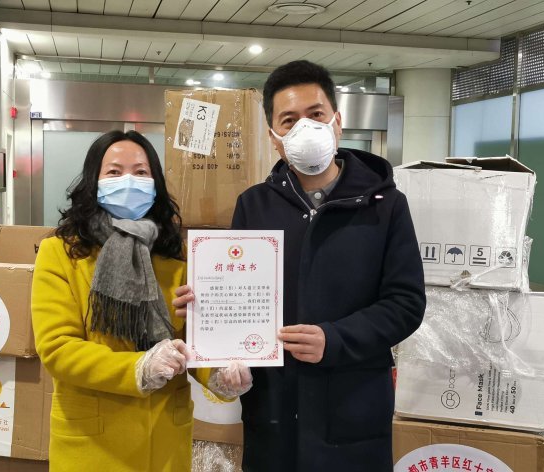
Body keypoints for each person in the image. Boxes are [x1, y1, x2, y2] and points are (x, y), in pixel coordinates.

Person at [173, 61, 427, 470]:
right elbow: (239, 296)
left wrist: (335, 339)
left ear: (337, 123)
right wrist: (205, 312)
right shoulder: (254, 205)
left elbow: (406, 303)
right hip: (275, 412)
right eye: (289, 120)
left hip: (352, 408)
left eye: (316, 114)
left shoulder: (385, 206)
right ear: (274, 137)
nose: (304, 127)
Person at [31, 130, 252, 472]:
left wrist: (219, 373)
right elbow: (58, 349)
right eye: (114, 172)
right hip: (93, 445)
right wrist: (138, 368)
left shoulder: (177, 254)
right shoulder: (61, 252)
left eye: (140, 172)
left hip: (164, 442)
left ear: (155, 183)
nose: (129, 181)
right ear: (94, 181)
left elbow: (190, 340)